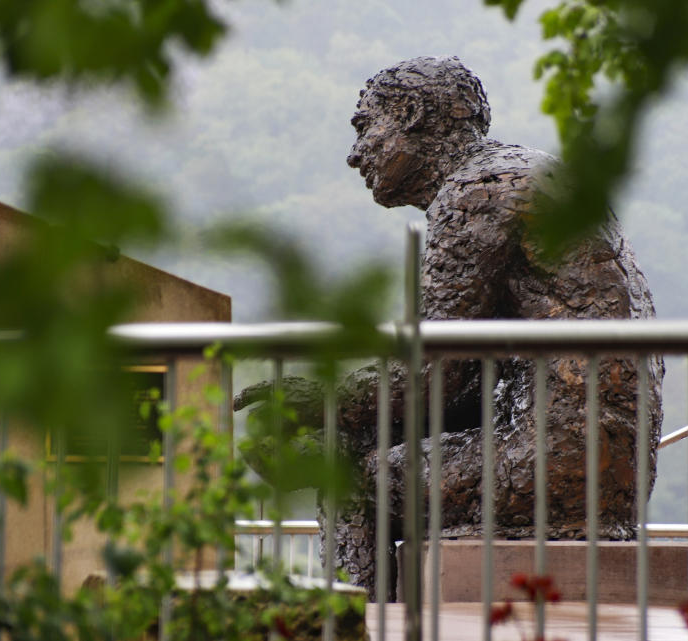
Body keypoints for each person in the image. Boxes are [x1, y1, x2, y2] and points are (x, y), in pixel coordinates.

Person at [238, 56, 663, 599]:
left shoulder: (475, 194)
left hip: (556, 461)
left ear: (411, 114)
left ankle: (356, 624)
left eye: (365, 127)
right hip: (608, 466)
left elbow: (434, 375)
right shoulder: (528, 173)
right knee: (363, 439)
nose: (354, 154)